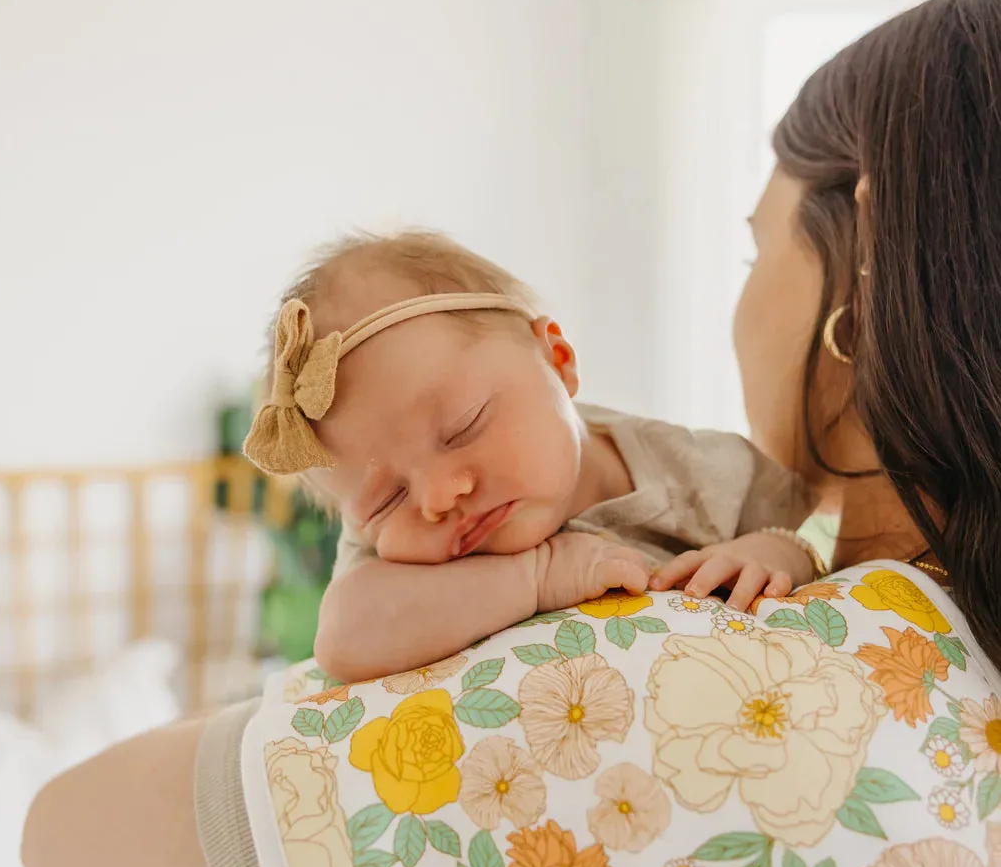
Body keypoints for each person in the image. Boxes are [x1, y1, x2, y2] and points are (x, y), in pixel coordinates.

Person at [22, 0, 1001, 867]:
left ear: (863, 267)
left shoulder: (635, 680)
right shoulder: (948, 652)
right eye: (380, 497)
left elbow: (57, 840)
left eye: (755, 246)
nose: (440, 495)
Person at [243, 228, 819, 688]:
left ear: (558, 359)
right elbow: (344, 638)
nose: (439, 497)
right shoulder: (394, 566)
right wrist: (537, 576)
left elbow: (814, 540)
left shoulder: (697, 471)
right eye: (388, 500)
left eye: (462, 427)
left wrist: (772, 554)